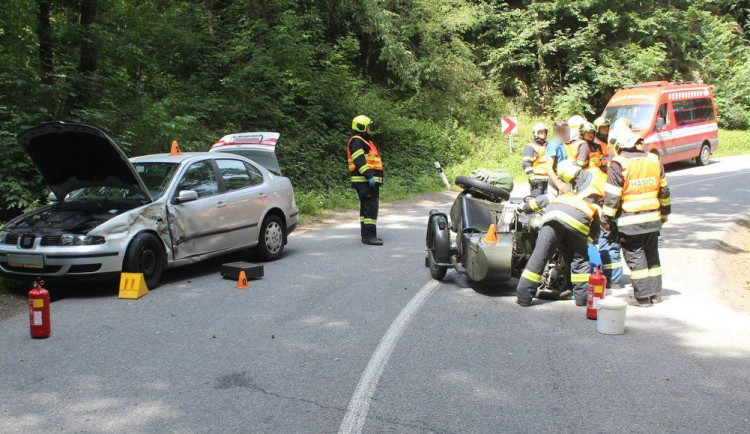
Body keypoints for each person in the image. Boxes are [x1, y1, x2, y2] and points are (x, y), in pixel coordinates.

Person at [516, 160, 606, 307]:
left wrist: (524, 207)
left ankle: (523, 297)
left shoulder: (558, 196)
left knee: (539, 257)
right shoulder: (591, 204)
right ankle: (582, 299)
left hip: (552, 220)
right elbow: (594, 232)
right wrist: (583, 243)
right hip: (578, 223)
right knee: (580, 261)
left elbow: (538, 202)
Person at [601, 134, 671, 306]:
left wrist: (606, 219)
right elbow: (664, 190)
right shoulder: (654, 160)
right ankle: (655, 294)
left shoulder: (620, 163)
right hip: (653, 218)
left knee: (635, 255)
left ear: (620, 147)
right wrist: (665, 212)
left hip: (630, 220)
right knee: (652, 254)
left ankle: (642, 297)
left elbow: (612, 196)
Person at [347, 115, 384, 246]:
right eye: (368, 126)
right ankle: (369, 237)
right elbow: (359, 161)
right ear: (362, 127)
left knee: (367, 208)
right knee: (370, 208)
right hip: (364, 181)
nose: (370, 128)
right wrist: (369, 176)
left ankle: (367, 235)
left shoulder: (365, 141)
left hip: (368, 181)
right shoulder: (357, 141)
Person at [522, 123, 550, 197]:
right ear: (536, 133)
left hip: (549, 179)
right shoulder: (530, 147)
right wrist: (531, 175)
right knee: (537, 201)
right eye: (541, 132)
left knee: (549, 201)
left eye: (544, 132)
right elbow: (526, 163)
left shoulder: (549, 146)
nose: (543, 134)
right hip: (537, 179)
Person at [545, 121, 571, 195]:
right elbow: (549, 168)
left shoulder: (567, 143)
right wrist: (559, 185)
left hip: (567, 180)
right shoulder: (553, 145)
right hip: (557, 181)